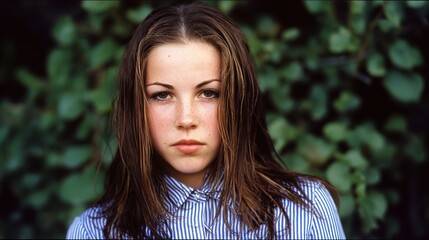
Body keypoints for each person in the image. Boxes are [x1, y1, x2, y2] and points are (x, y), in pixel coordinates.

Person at [67, 2, 345, 239]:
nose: (186, 119)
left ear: (238, 100)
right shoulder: (93, 232)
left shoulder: (306, 211)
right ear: (136, 107)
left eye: (209, 93)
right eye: (162, 95)